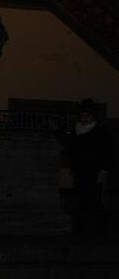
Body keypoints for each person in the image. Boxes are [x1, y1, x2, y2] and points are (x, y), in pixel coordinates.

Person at [56, 99, 114, 236]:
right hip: (80, 171)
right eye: (82, 116)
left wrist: (104, 170)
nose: (84, 119)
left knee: (95, 200)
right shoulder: (76, 130)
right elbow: (68, 144)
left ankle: (99, 230)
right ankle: (81, 230)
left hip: (94, 171)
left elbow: (107, 152)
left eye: (87, 116)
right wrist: (60, 130)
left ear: (93, 117)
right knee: (81, 200)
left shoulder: (100, 131)